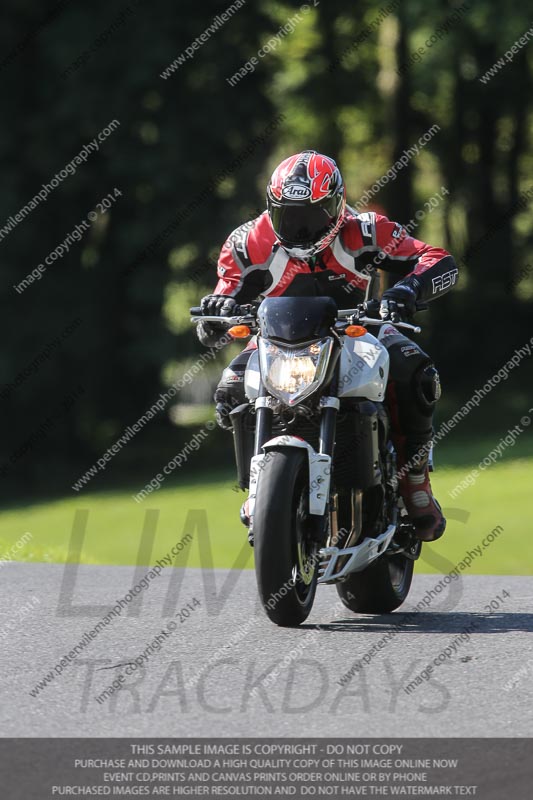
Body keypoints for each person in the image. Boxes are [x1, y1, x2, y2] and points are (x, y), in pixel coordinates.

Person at [196, 150, 458, 541]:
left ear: (337, 206)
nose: (300, 228)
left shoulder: (366, 230)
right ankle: (259, 487)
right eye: (289, 215)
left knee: (417, 372)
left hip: (358, 330)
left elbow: (438, 260)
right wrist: (217, 312)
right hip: (275, 340)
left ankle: (414, 480)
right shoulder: (246, 242)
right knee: (231, 389)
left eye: (311, 215)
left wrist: (408, 289)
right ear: (271, 208)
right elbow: (222, 301)